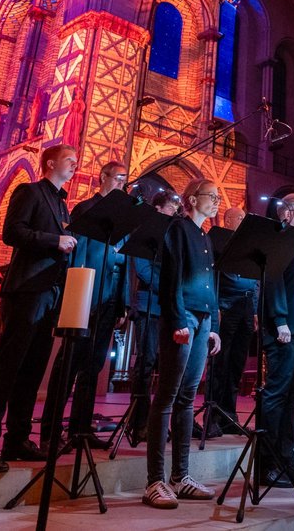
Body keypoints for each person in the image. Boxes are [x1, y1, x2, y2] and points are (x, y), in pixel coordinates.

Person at [0, 144, 78, 473]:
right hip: (27, 289)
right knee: (8, 369)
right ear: (49, 163)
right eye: (68, 160)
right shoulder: (29, 192)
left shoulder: (61, 205)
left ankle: (17, 438)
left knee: (32, 371)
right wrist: (54, 241)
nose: (74, 165)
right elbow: (12, 232)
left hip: (50, 292)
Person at [142, 179, 224, 509]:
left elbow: (209, 283)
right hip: (184, 317)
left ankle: (181, 476)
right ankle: (154, 481)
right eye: (211, 197)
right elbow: (171, 278)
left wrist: (214, 325)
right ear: (192, 199)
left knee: (189, 396)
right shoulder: (178, 229)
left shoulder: (205, 235)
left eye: (219, 198)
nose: (217, 201)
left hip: (203, 318)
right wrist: (177, 320)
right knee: (167, 395)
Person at [41, 160, 130, 450]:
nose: (121, 184)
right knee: (69, 364)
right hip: (85, 295)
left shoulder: (121, 218)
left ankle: (81, 429)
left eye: (124, 180)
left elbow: (124, 260)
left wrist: (122, 305)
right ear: (102, 178)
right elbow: (76, 255)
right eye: (117, 178)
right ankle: (51, 431)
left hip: (109, 299)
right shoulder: (86, 209)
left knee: (93, 366)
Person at [257, 193, 294, 488]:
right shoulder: (280, 239)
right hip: (284, 327)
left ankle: (287, 458)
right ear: (287, 214)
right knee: (277, 393)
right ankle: (266, 464)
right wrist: (279, 319)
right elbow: (272, 280)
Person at [126, 190, 182, 444]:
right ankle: (139, 423)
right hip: (149, 304)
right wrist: (171, 286)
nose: (175, 212)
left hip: (167, 307)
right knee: (146, 363)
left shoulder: (170, 234)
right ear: (158, 208)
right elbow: (145, 271)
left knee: (167, 366)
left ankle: (158, 422)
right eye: (172, 208)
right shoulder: (146, 231)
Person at [206, 206, 258, 436]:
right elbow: (214, 276)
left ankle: (230, 414)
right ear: (228, 220)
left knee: (237, 362)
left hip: (246, 307)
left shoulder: (248, 243)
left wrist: (255, 311)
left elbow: (254, 281)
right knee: (221, 362)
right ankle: (214, 414)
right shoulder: (217, 240)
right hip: (226, 305)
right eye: (240, 218)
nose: (243, 222)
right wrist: (214, 307)